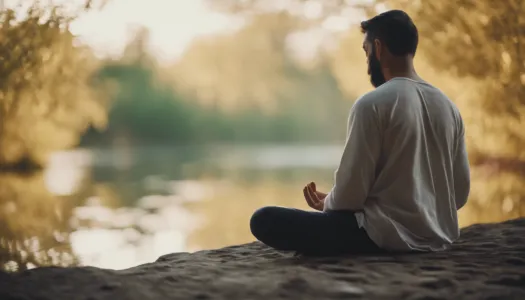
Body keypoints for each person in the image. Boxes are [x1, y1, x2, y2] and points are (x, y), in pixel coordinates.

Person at [249, 9, 471, 256]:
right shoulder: (449, 107)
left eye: (366, 53)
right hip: (438, 236)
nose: (367, 63)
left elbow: (349, 199)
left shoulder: (372, 104)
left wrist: (329, 202)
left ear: (378, 48)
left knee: (263, 219)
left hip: (378, 237)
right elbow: (459, 194)